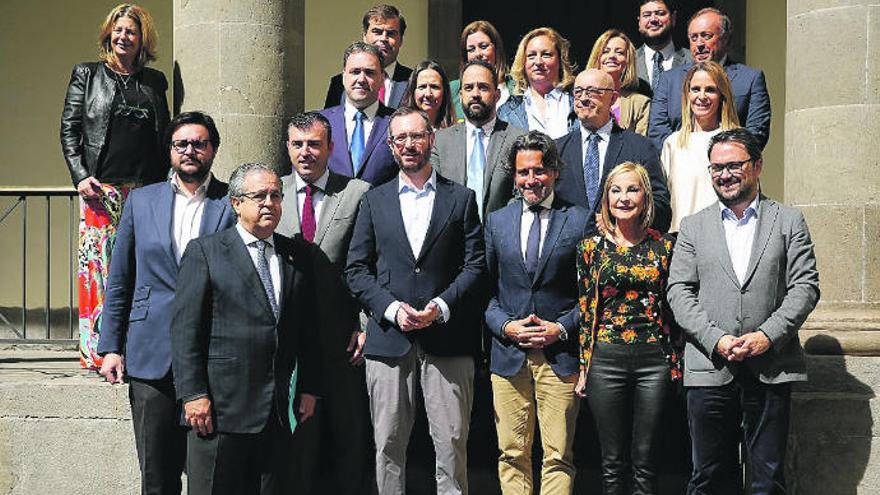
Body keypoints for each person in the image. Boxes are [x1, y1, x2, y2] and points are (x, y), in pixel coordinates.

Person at [667, 128, 820, 495]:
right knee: (708, 477)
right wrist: (715, 338)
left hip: (770, 367)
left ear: (757, 166)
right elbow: (678, 291)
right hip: (709, 367)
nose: (725, 174)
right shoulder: (692, 227)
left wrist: (767, 335)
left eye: (734, 165)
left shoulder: (788, 221)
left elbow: (805, 287)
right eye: (717, 167)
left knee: (767, 479)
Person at [345, 107, 485, 495]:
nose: (409, 144)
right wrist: (391, 309)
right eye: (400, 138)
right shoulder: (374, 201)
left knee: (452, 443)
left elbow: (476, 266)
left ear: (431, 139)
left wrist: (440, 307)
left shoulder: (461, 199)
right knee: (387, 444)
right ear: (390, 146)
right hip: (389, 341)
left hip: (448, 340)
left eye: (416, 136)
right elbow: (356, 269)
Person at [97, 111, 234, 495]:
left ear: (213, 149)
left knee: (207, 476)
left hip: (211, 356)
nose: (190, 151)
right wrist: (110, 347)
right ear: (170, 151)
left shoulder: (230, 203)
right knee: (157, 476)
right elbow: (120, 278)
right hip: (149, 353)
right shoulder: (142, 201)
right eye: (181, 144)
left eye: (199, 143)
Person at [171, 163, 320, 495]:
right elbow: (185, 332)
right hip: (220, 412)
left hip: (276, 414)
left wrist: (309, 387)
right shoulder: (206, 252)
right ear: (236, 203)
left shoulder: (296, 255)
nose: (269, 203)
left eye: (276, 196)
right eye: (259, 196)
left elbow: (306, 331)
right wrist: (193, 394)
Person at [60, 3, 170, 369]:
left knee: (140, 267)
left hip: (144, 192)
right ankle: (98, 352)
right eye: (118, 30)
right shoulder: (87, 75)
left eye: (131, 32)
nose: (123, 37)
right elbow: (69, 129)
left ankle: (132, 346)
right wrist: (80, 176)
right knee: (101, 271)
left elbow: (165, 136)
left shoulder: (155, 82)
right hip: (100, 191)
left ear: (143, 39)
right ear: (109, 34)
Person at [484, 131, 587, 494]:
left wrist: (560, 329)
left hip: (559, 357)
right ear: (514, 176)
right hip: (508, 356)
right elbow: (487, 291)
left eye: (540, 171)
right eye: (523, 172)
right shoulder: (497, 222)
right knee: (511, 452)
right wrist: (506, 326)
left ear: (555, 171)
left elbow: (589, 295)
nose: (532, 179)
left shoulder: (579, 220)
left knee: (558, 454)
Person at [276, 112, 373, 495]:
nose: (306, 152)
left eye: (314, 144)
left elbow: (370, 264)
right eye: (298, 144)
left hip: (341, 342)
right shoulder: (270, 192)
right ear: (287, 148)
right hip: (289, 345)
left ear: (331, 148)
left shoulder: (357, 193)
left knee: (347, 443)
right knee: (296, 447)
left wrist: (364, 326)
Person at [574, 161, 680, 495]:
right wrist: (583, 368)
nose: (623, 198)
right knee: (611, 463)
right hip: (606, 359)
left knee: (647, 461)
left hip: (654, 360)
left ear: (645, 197)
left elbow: (673, 309)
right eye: (615, 190)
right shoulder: (590, 248)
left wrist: (675, 362)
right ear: (606, 199)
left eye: (632, 189)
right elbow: (586, 309)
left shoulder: (665, 247)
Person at [555, 69, 671, 236]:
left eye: (593, 91)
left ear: (614, 98)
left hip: (620, 252)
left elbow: (660, 205)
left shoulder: (640, 147)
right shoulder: (557, 149)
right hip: (569, 253)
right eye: (578, 92)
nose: (583, 98)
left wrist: (619, 218)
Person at [648, 7, 771, 150]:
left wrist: (724, 160)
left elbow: (756, 133)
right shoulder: (669, 80)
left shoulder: (750, 79)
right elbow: (657, 131)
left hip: (729, 167)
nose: (699, 44)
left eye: (706, 36)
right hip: (680, 166)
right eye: (694, 38)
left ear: (725, 38)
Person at [431, 60, 527, 220]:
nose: (475, 94)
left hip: (500, 237)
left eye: (483, 87)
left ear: (497, 95)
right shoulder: (440, 142)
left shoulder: (518, 139)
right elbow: (434, 194)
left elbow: (522, 194)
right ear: (461, 96)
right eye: (469, 88)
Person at [661, 61, 739, 232]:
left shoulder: (737, 141)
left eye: (710, 90)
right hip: (681, 240)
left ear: (722, 95)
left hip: (725, 236)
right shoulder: (672, 144)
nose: (701, 96)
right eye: (695, 89)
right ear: (687, 94)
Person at [321, 41, 398, 186]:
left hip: (380, 207)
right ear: (344, 77)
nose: (361, 79)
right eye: (355, 72)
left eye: (369, 72)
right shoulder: (320, 122)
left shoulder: (397, 122)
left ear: (382, 79)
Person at [323, 4, 412, 109]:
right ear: (364, 36)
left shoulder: (413, 81)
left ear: (401, 40)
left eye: (391, 33)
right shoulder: (339, 84)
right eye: (377, 32)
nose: (384, 38)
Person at [498, 27, 578, 139]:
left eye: (546, 55)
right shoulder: (508, 111)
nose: (538, 62)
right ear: (523, 62)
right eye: (531, 56)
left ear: (560, 60)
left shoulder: (577, 102)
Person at [586, 29, 651, 135]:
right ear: (597, 57)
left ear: (627, 61)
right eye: (605, 51)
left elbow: (640, 146)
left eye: (619, 52)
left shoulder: (640, 104)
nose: (612, 56)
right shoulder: (581, 99)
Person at [449, 20, 515, 120]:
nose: (477, 54)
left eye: (483, 46)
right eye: (471, 49)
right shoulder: (452, 90)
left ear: (496, 49)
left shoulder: (516, 88)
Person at [635, 0, 692, 92]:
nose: (653, 19)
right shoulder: (628, 62)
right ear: (639, 22)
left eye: (660, 14)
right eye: (647, 15)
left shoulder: (692, 60)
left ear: (673, 18)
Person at [401, 60, 456, 129]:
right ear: (413, 91)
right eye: (422, 87)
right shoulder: (401, 130)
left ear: (444, 92)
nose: (428, 94)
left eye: (434, 87)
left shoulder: (456, 133)